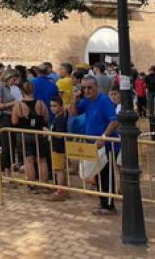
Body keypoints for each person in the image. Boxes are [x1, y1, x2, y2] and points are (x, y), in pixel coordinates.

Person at [74, 76, 119, 215]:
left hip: (106, 145)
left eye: (89, 87)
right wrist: (74, 99)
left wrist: (103, 137)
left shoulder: (104, 100)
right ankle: (103, 202)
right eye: (84, 88)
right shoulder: (86, 101)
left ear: (96, 87)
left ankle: (109, 205)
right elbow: (74, 112)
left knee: (106, 175)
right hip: (93, 144)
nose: (86, 90)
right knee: (98, 174)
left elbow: (114, 122)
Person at [11, 80, 48, 190]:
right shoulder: (40, 104)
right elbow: (46, 119)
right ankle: (45, 184)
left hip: (24, 135)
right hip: (39, 134)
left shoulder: (18, 105)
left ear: (22, 91)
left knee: (28, 160)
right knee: (42, 160)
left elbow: (14, 121)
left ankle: (32, 185)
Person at [0, 70, 21, 176]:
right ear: (8, 77)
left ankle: (7, 172)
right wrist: (14, 103)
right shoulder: (0, 87)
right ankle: (5, 172)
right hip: (4, 119)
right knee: (6, 147)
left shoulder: (8, 87)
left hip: (10, 118)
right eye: (13, 79)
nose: (14, 82)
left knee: (10, 146)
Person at [47, 95, 69, 201]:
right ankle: (63, 189)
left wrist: (48, 132)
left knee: (59, 170)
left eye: (55, 106)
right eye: (51, 106)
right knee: (59, 169)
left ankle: (60, 191)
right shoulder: (58, 118)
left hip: (59, 148)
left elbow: (60, 135)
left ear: (61, 106)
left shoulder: (60, 119)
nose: (52, 108)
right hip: (56, 147)